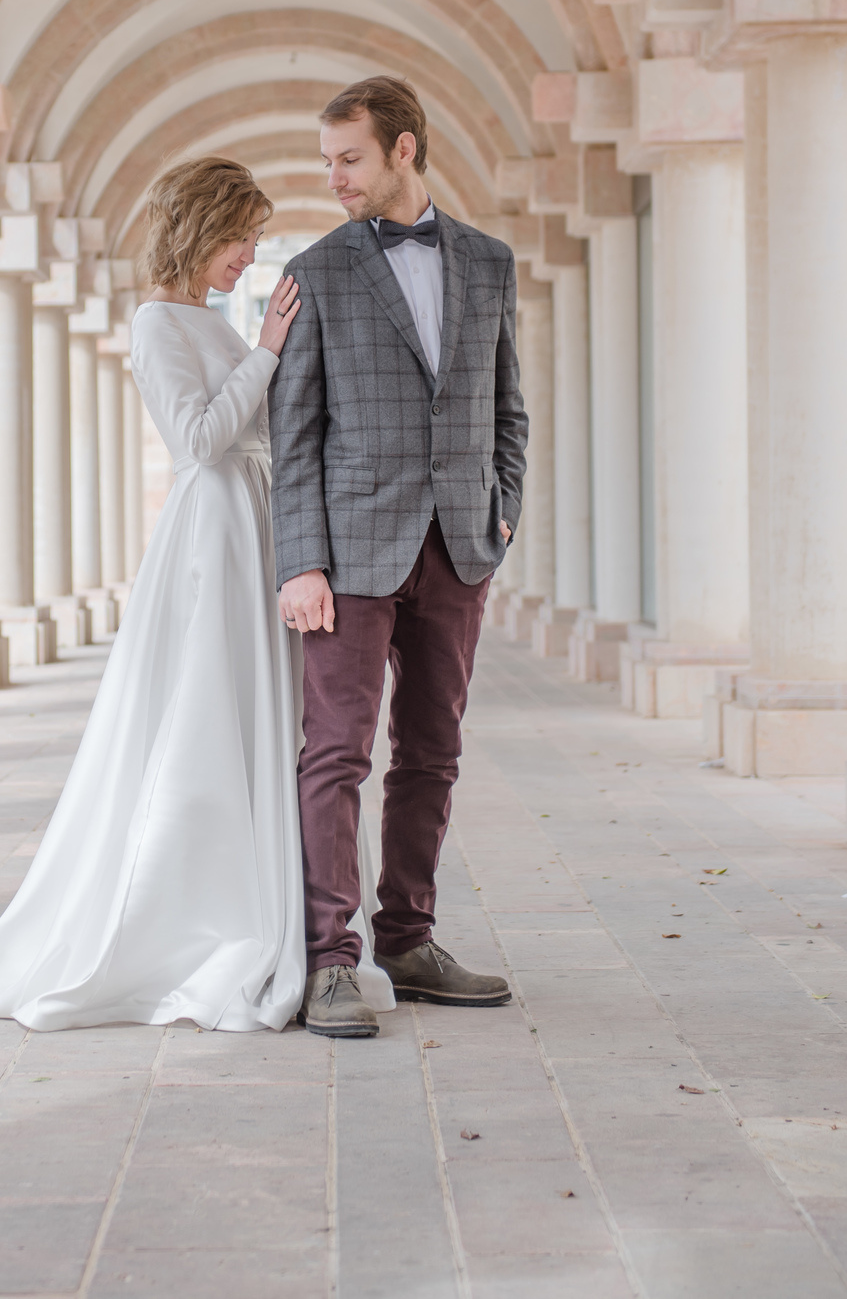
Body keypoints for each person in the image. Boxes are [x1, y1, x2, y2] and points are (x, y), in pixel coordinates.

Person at [0, 157, 391, 1030]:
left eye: (257, 236)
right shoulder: (157, 320)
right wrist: (266, 351)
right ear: (199, 227)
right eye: (240, 234)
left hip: (253, 523)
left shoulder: (208, 318)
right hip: (213, 533)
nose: (249, 252)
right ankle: (194, 920)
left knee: (268, 717)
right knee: (204, 715)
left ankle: (276, 919)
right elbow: (196, 442)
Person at [272, 75, 528, 1039]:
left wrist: (501, 516)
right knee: (336, 753)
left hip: (458, 547)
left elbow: (510, 409)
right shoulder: (315, 271)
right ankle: (328, 959)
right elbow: (293, 434)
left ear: (405, 149)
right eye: (329, 159)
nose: (335, 176)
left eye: (351, 157)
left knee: (433, 752)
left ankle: (408, 940)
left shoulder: (490, 263)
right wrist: (302, 559)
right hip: (347, 556)